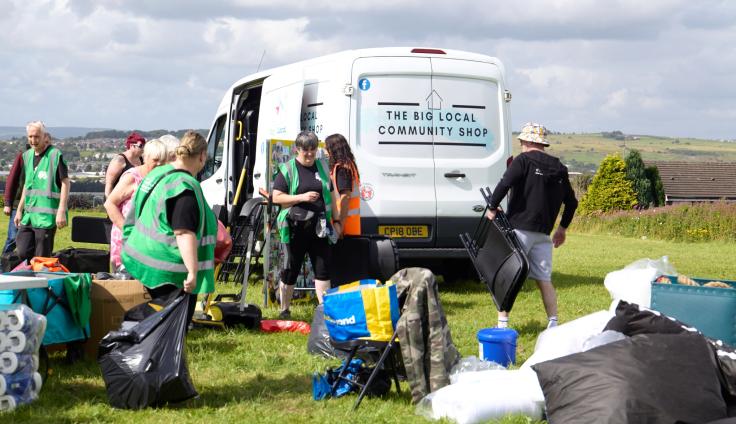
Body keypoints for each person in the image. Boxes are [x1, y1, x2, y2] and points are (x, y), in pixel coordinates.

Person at [486, 122, 578, 329]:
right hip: (544, 234)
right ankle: (553, 323)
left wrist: (492, 207)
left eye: (521, 141)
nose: (520, 145)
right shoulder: (560, 168)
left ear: (528, 141)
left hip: (519, 228)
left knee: (509, 275)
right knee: (544, 279)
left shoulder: (523, 161)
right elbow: (572, 202)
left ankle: (502, 325)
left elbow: (505, 183)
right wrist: (562, 228)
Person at [121, 131, 217, 324]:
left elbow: (137, 211)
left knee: (152, 319)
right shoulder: (184, 186)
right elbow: (183, 232)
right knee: (170, 324)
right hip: (167, 268)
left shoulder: (156, 173)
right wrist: (192, 271)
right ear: (202, 156)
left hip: (140, 256)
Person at [272, 131, 335, 319]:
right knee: (291, 268)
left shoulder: (322, 167)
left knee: (323, 269)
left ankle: (325, 312)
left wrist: (337, 222)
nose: (309, 154)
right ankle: (284, 309)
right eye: (305, 150)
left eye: (313, 150)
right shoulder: (288, 169)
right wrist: (302, 197)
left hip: (320, 227)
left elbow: (331, 196)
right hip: (294, 228)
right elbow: (276, 197)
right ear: (296, 149)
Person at [104, 139, 169, 272]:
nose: (159, 165)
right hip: (128, 239)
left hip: (150, 240)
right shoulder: (132, 176)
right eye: (155, 160)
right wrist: (129, 231)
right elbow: (110, 203)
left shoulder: (162, 177)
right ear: (146, 157)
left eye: (163, 162)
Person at [14, 122, 71, 260]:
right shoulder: (26, 156)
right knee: (22, 252)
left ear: (44, 136)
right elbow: (28, 186)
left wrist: (62, 210)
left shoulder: (55, 155)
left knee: (41, 258)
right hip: (28, 216)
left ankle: (41, 281)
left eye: (37, 136)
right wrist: (19, 210)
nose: (34, 140)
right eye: (31, 136)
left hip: (46, 218)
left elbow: (65, 183)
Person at [325, 133, 360, 238]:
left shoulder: (342, 168)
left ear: (334, 149)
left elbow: (345, 197)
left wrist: (339, 225)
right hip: (350, 225)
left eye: (327, 148)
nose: (326, 152)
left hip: (345, 228)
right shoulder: (348, 164)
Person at [2, 144, 30, 254]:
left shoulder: (46, 158)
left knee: (30, 241)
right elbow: (11, 179)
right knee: (12, 238)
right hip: (17, 205)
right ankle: (2, 267)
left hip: (36, 206)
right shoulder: (23, 156)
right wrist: (8, 203)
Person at [104, 132, 145, 198]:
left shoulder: (142, 160)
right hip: (118, 199)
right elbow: (109, 183)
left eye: (144, 146)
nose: (143, 148)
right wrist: (109, 202)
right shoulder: (119, 160)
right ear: (132, 146)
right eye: (140, 146)